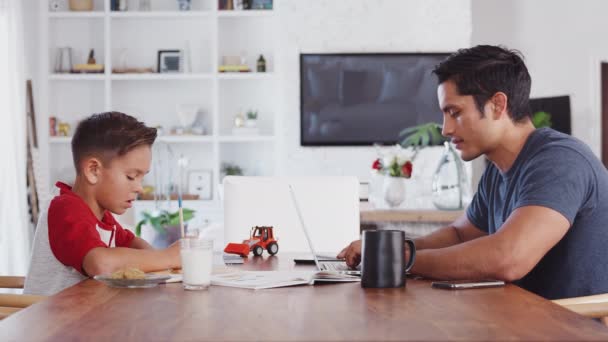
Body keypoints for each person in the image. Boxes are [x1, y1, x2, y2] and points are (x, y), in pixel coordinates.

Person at [338, 45, 608, 300]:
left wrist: (399, 260)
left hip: (575, 326)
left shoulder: (560, 161)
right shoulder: (497, 171)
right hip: (522, 319)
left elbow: (508, 258)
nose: (445, 129)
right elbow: (459, 234)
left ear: (497, 105)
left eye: (454, 112)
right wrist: (393, 249)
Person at [24, 112, 181, 295]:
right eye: (131, 176)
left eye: (142, 178)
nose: (139, 188)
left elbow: (131, 242)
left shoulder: (100, 214)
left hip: (84, 317)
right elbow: (100, 263)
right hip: (53, 321)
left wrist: (164, 259)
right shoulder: (65, 208)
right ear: (93, 170)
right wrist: (167, 257)